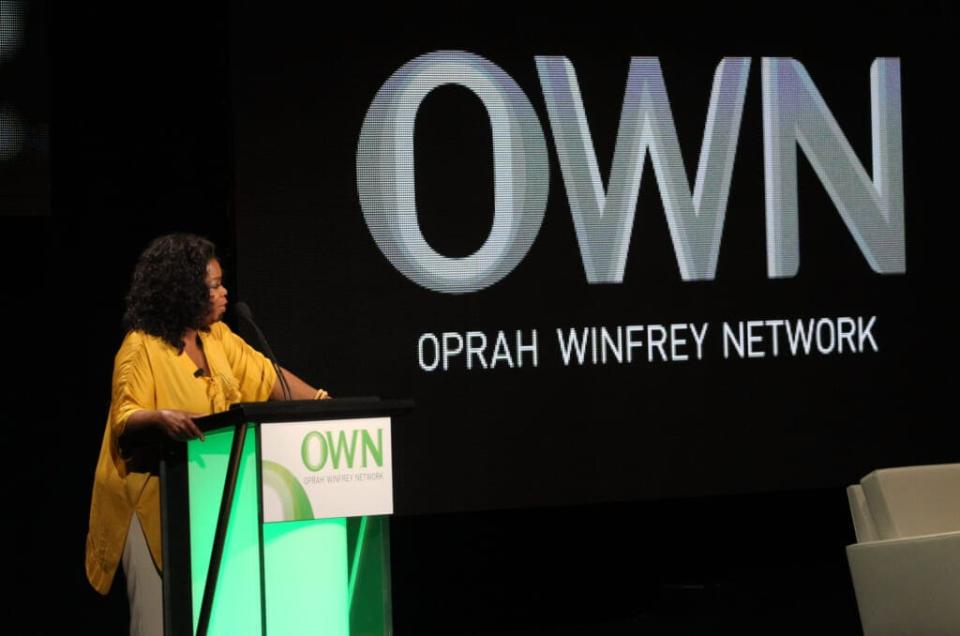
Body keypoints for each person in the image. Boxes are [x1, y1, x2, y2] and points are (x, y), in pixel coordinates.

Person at [85, 233, 328, 636]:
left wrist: (323, 402)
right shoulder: (140, 347)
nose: (223, 293)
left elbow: (268, 378)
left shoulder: (219, 340)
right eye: (213, 286)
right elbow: (125, 417)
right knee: (158, 622)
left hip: (203, 498)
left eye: (220, 283)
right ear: (182, 291)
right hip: (147, 505)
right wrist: (159, 416)